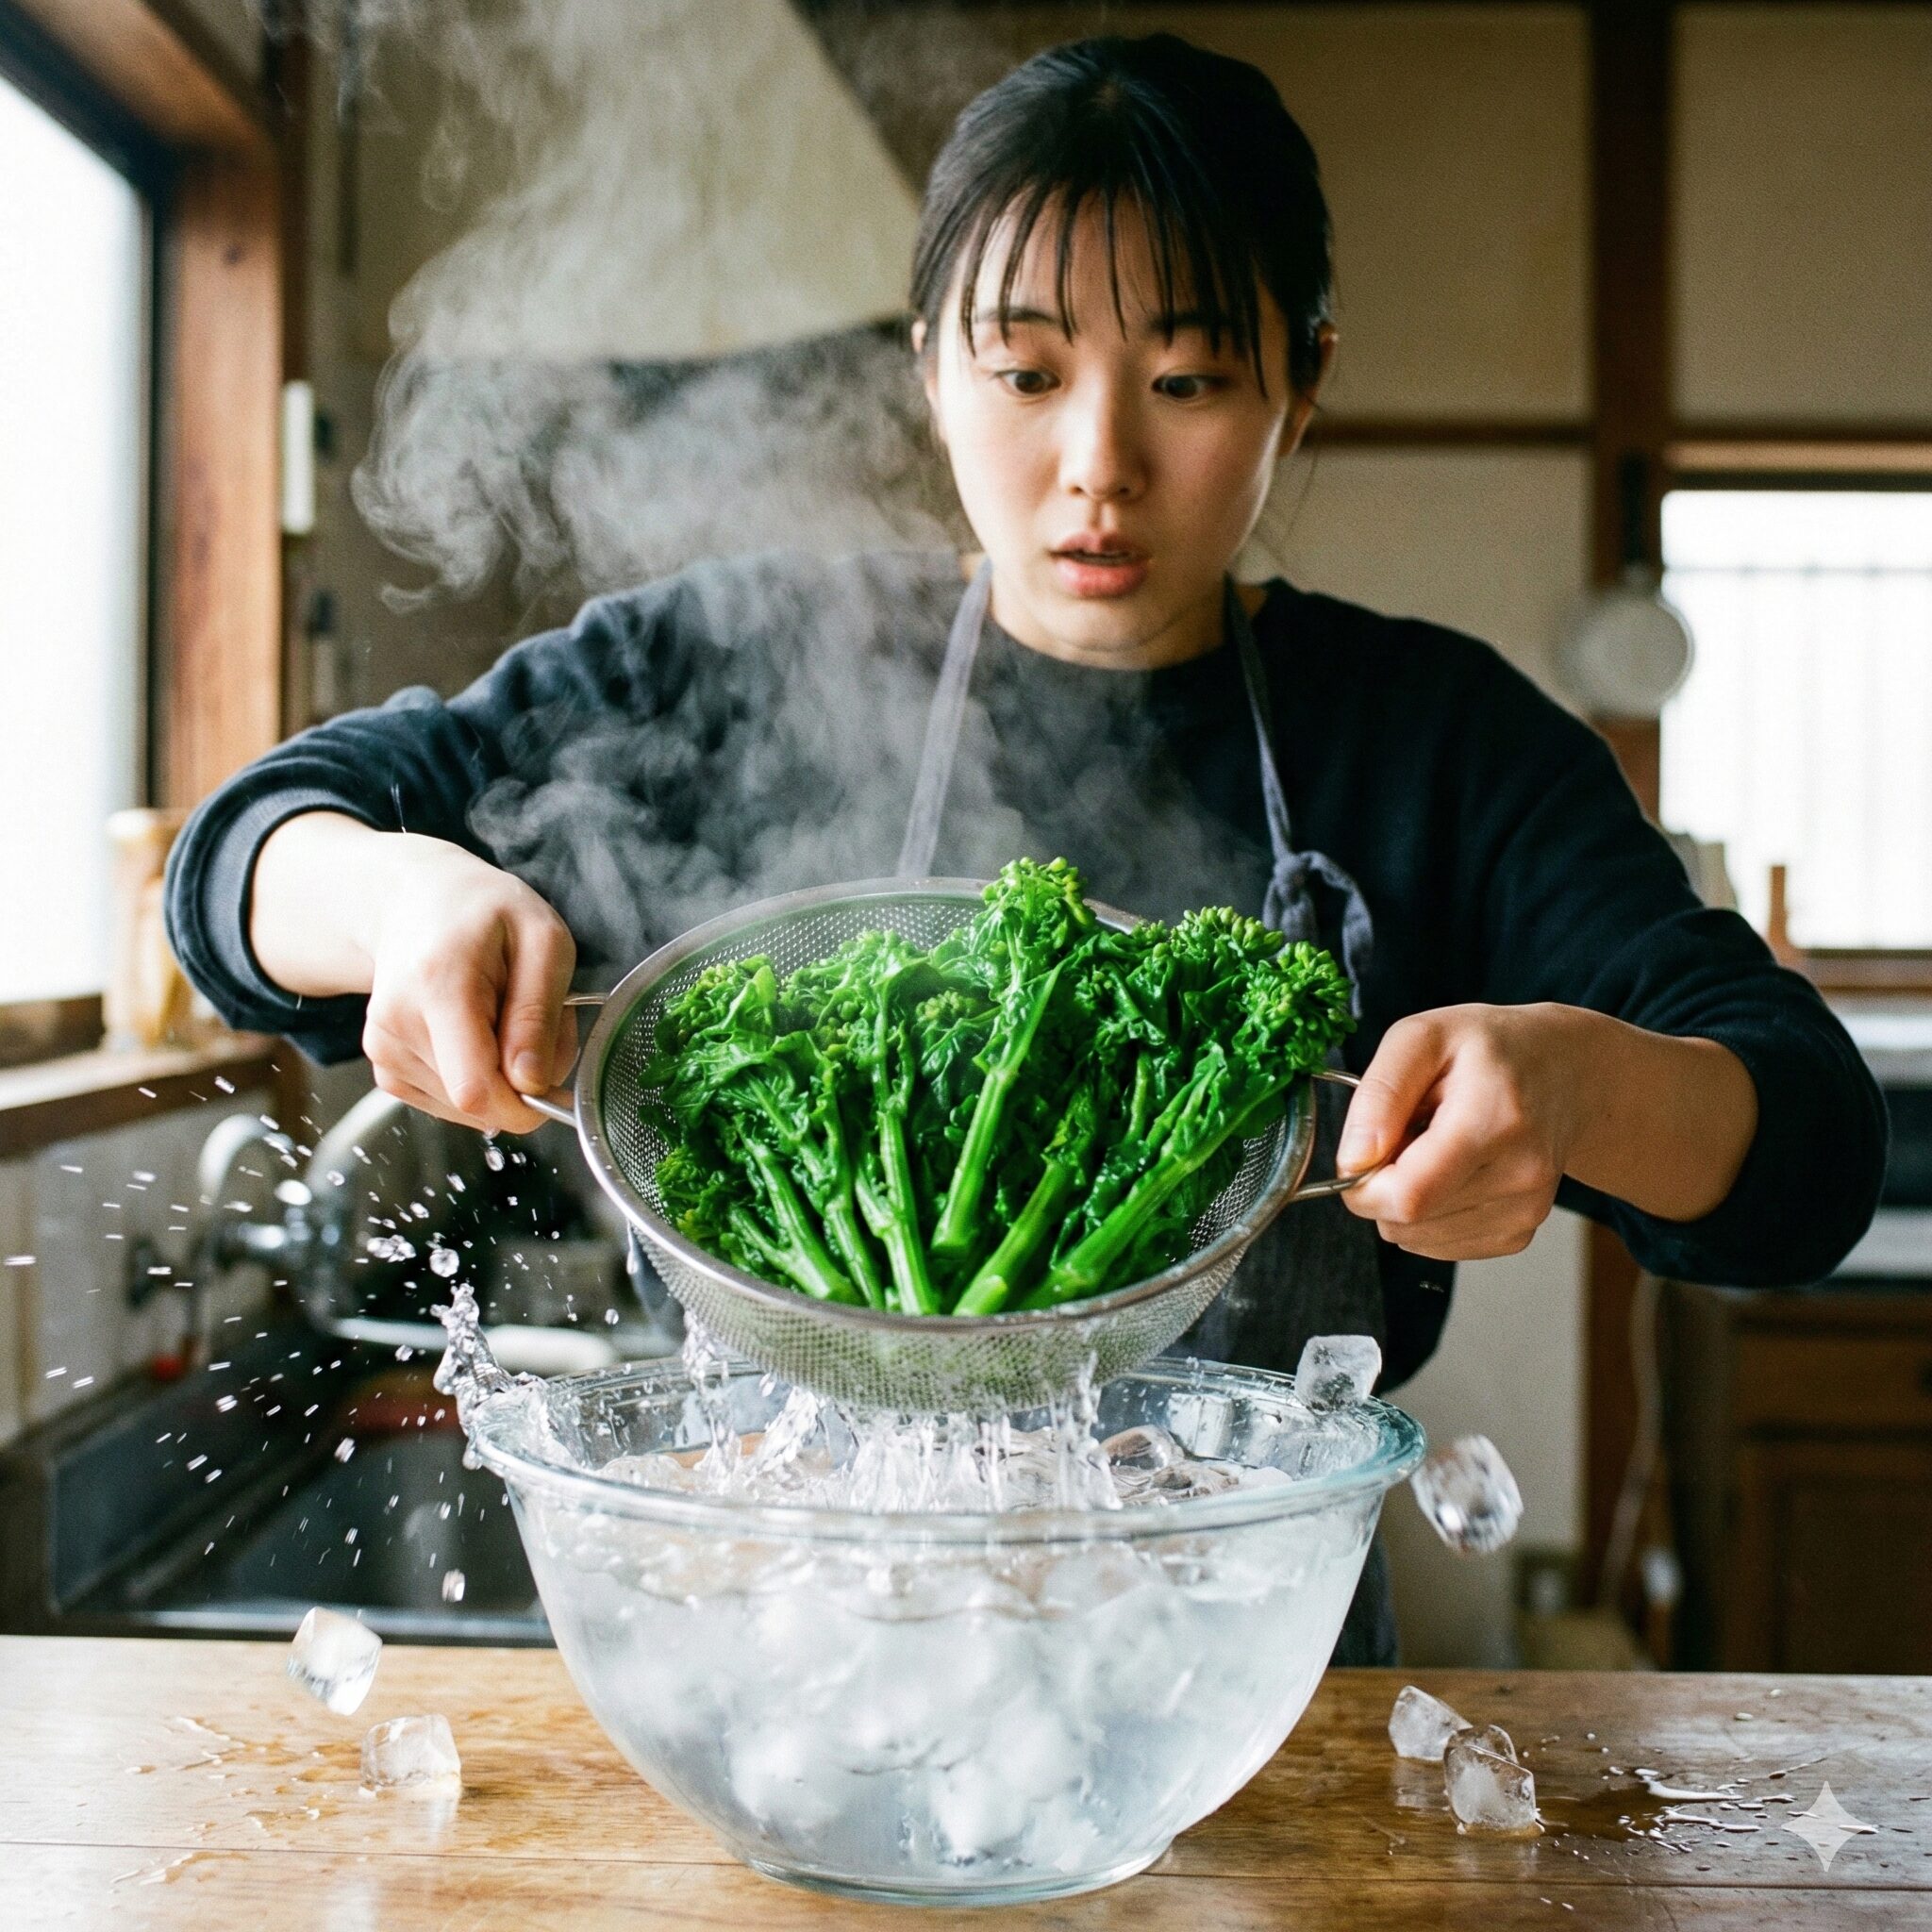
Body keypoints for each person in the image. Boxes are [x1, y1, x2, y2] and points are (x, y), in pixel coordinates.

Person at [164, 34, 1885, 1661]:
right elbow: (236, 870)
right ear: (931, 372)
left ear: (1307, 379)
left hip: (1244, 1659)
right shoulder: (739, 662)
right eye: (1027, 373)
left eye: (1191, 376)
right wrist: (401, 893)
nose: (1098, 467)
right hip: (789, 1623)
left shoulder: (1438, 744)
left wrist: (1583, 1092)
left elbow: (1804, 1149)